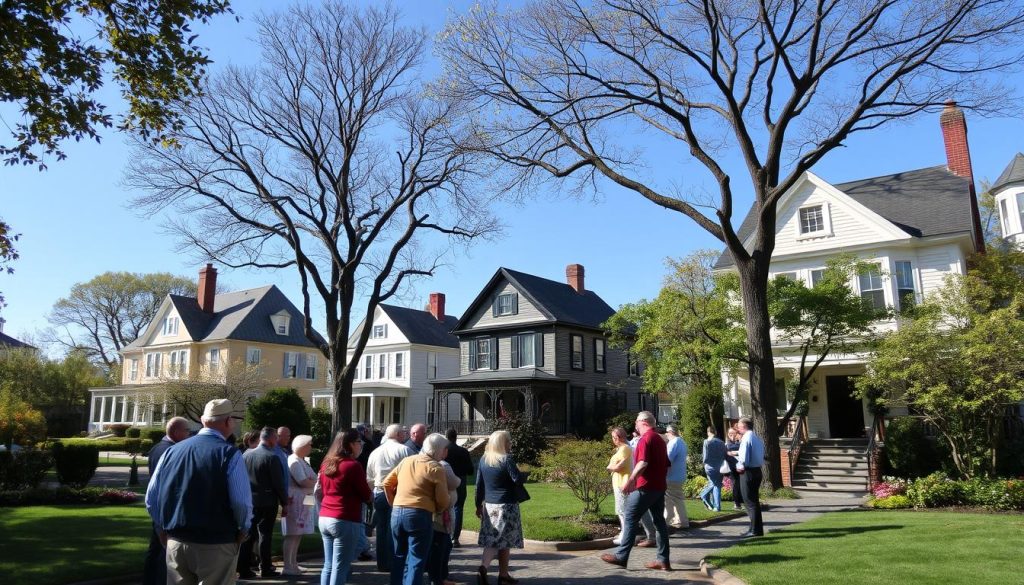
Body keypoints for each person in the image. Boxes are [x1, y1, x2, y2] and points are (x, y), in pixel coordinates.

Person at [145, 399, 251, 585]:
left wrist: (161, 528)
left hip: (177, 539)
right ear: (228, 422)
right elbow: (241, 502)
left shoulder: (172, 451)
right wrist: (244, 528)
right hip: (215, 542)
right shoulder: (229, 453)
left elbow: (152, 498)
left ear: (203, 421)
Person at [601, 411, 671, 571]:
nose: (635, 426)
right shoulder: (660, 440)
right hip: (659, 487)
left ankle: (621, 556)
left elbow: (642, 463)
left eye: (636, 423)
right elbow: (667, 464)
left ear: (643, 422)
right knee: (659, 522)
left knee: (630, 516)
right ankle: (663, 560)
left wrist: (631, 481)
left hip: (646, 487)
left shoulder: (646, 439)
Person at [382, 433, 451, 585]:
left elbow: (386, 483)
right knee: (416, 559)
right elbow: (443, 499)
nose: (447, 452)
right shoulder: (435, 467)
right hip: (420, 513)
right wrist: (438, 510)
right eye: (445, 449)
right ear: (439, 450)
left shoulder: (407, 461)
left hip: (397, 512)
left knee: (398, 556)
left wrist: (394, 503)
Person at [316, 430, 372, 585]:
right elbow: (366, 494)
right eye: (359, 442)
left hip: (325, 515)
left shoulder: (327, 462)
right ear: (350, 444)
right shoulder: (352, 465)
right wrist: (371, 494)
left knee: (329, 564)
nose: (361, 445)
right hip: (345, 517)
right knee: (340, 566)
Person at [142, 416, 190, 585]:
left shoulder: (156, 448)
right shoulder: (171, 451)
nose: (188, 434)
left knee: (155, 549)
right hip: (167, 507)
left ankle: (149, 580)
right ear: (176, 431)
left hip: (157, 505)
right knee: (166, 551)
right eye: (187, 431)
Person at [474, 430, 525, 585]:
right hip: (507, 506)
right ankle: (494, 571)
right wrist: (525, 472)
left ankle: (497, 572)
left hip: (489, 506)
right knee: (505, 541)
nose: (510, 444)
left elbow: (479, 485)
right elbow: (517, 479)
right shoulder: (507, 459)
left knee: (493, 540)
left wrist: (478, 505)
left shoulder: (484, 459)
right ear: (503, 443)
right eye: (508, 441)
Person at [238, 426, 289, 579]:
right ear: (272, 438)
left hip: (250, 500)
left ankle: (243, 567)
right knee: (265, 535)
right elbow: (278, 483)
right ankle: (265, 567)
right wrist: (284, 502)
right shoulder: (271, 457)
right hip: (267, 501)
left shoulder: (246, 455)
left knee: (249, 534)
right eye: (275, 437)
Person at [366, 424, 415, 574]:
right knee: (394, 530)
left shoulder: (375, 452)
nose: (405, 435)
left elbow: (369, 477)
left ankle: (382, 562)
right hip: (397, 492)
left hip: (379, 491)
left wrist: (373, 491)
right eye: (403, 433)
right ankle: (394, 561)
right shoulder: (405, 450)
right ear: (399, 435)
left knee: (381, 529)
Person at [282, 434, 317, 575]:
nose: (311, 447)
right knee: (293, 533)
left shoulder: (301, 460)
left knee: (298, 533)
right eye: (309, 444)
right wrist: (314, 483)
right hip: (296, 500)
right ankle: (288, 566)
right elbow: (303, 481)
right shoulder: (294, 461)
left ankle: (293, 563)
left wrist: (313, 482)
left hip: (304, 499)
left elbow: (312, 478)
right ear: (302, 446)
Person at [427, 440, 460, 585]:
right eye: (445, 449)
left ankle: (439, 576)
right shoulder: (441, 466)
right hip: (440, 512)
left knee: (441, 544)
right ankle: (439, 577)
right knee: (441, 545)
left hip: (434, 511)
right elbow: (454, 482)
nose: (446, 452)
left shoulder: (421, 462)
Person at [443, 428, 474, 548]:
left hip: (445, 482)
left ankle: (445, 533)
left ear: (446, 437)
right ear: (456, 437)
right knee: (458, 508)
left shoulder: (443, 451)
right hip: (460, 481)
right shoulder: (463, 451)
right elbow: (470, 470)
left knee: (444, 507)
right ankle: (455, 537)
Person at [736, 416, 766, 537]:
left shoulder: (746, 438)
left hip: (748, 472)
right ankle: (757, 529)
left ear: (744, 426)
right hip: (757, 470)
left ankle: (754, 530)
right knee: (754, 502)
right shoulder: (756, 438)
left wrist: (740, 466)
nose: (738, 428)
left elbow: (743, 457)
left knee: (749, 502)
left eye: (738, 426)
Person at [664, 425, 689, 530]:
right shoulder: (682, 442)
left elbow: (668, 459)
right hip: (679, 475)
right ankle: (683, 521)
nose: (665, 434)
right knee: (678, 500)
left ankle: (666, 520)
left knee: (668, 500)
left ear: (670, 432)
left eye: (666, 432)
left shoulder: (673, 443)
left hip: (671, 476)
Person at [699, 426, 728, 512]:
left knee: (714, 484)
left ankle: (703, 495)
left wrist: (705, 464)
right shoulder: (721, 442)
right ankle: (716, 506)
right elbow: (724, 455)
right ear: (715, 432)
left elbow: (705, 457)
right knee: (717, 485)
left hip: (710, 466)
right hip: (720, 467)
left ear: (708, 432)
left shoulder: (706, 442)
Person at [725, 427, 744, 510]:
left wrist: (733, 453)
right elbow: (727, 453)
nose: (732, 435)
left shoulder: (740, 443)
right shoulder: (727, 445)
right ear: (728, 435)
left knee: (741, 485)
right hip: (733, 467)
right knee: (735, 485)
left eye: (734, 433)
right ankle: (737, 503)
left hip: (741, 466)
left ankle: (741, 502)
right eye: (730, 434)